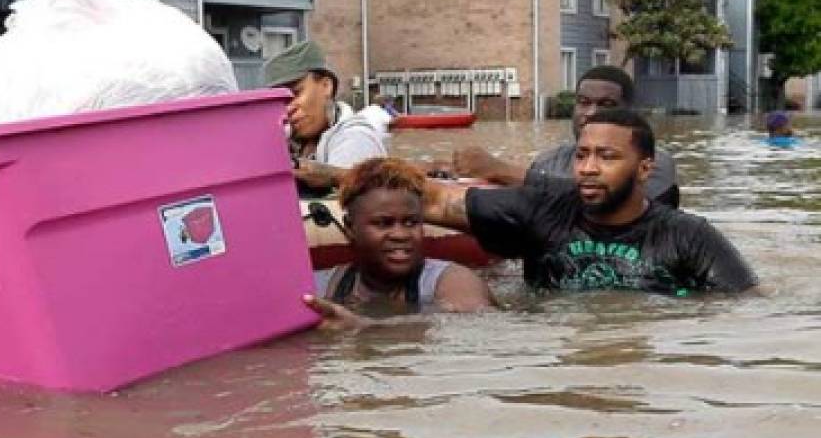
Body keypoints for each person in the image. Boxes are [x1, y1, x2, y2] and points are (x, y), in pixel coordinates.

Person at [419, 108, 756, 295]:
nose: (588, 169)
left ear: (643, 170)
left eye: (606, 157)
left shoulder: (688, 236)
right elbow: (432, 202)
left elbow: (746, 305)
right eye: (581, 156)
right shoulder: (540, 209)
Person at [303, 158, 494, 329]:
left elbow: (475, 324)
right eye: (383, 223)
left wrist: (365, 327)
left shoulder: (454, 282)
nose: (401, 235)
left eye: (410, 222)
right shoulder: (321, 288)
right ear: (350, 228)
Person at [452, 65, 680, 207]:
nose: (590, 113)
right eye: (583, 102)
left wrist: (501, 169)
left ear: (630, 111)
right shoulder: (547, 161)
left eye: (606, 104)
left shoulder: (654, 162)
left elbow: (610, 201)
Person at [263, 41, 385, 194]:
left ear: (326, 86)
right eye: (279, 101)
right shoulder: (288, 140)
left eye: (295, 93)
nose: (288, 108)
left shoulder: (355, 138)